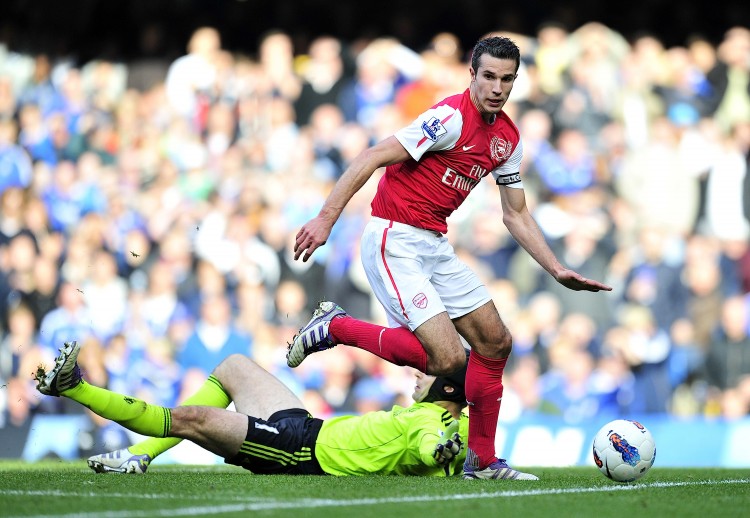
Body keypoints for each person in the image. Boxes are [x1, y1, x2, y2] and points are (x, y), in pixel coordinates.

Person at [288, 36, 612, 481]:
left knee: (496, 342)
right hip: (393, 238)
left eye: (507, 79)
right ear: (473, 75)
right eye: (489, 77)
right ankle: (335, 326)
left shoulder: (507, 139)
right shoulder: (448, 119)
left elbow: (514, 213)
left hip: (434, 244)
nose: (497, 88)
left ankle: (482, 461)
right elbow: (373, 155)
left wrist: (556, 268)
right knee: (447, 362)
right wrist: (325, 219)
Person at [35, 341, 471, 477]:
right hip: (308, 430)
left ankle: (74, 387)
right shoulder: (453, 421)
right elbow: (453, 445)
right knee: (234, 366)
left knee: (192, 419)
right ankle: (140, 455)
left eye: (428, 371)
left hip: (300, 454)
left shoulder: (433, 421)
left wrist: (441, 453)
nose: (418, 373)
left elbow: (432, 446)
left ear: (447, 386)